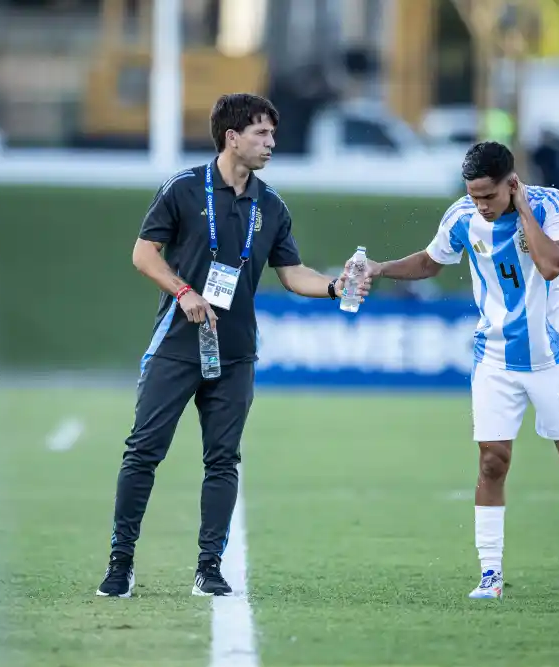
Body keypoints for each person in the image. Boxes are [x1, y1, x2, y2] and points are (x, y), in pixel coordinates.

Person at [97, 93, 370, 598]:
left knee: (223, 460)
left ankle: (209, 568)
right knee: (143, 452)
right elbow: (143, 254)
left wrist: (336, 287)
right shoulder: (182, 188)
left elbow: (292, 273)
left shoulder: (272, 205)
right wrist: (183, 291)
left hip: (236, 352)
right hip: (176, 344)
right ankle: (121, 562)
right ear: (232, 138)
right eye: (261, 133)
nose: (271, 143)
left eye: (272, 134)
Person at [363, 142, 559, 600]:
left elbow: (551, 265)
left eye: (488, 195)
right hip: (495, 361)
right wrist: (380, 268)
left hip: (550, 359)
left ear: (512, 183)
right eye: (473, 195)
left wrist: (522, 209)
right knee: (492, 461)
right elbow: (430, 262)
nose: (480, 205)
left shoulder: (550, 205)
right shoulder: (462, 216)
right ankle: (490, 573)